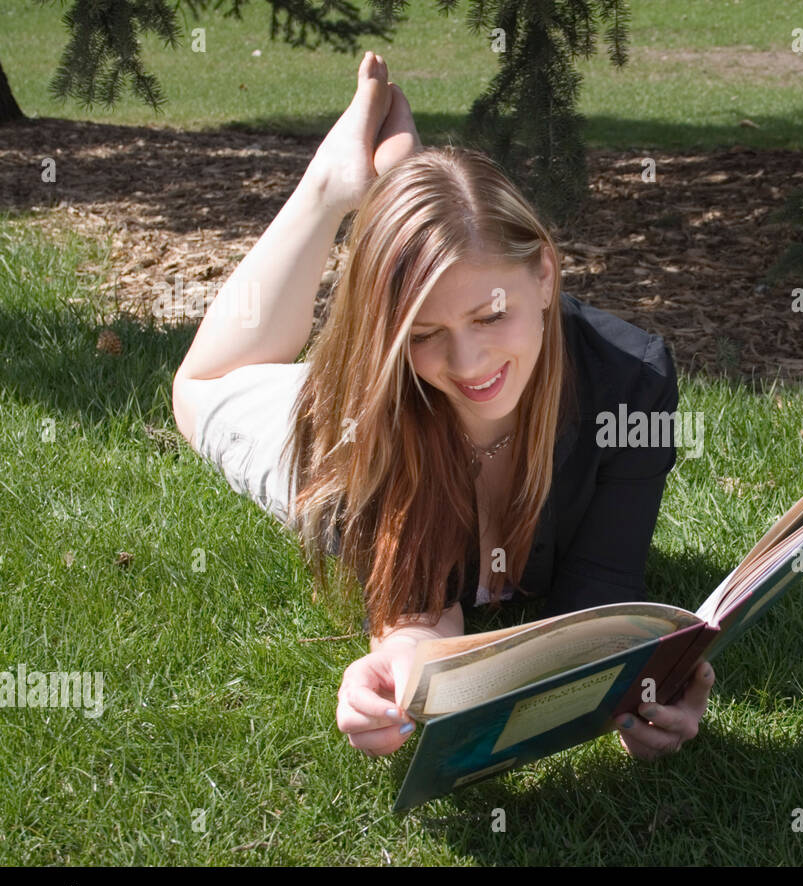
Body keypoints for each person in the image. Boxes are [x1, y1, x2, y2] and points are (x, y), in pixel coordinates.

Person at [171, 52, 713, 765]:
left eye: (491, 315)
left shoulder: (629, 382)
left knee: (440, 248)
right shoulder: (360, 410)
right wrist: (397, 671)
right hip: (339, 411)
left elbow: (602, 593)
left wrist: (651, 676)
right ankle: (332, 183)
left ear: (545, 275)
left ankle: (407, 195)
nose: (468, 365)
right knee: (201, 388)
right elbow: (419, 611)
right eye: (428, 333)